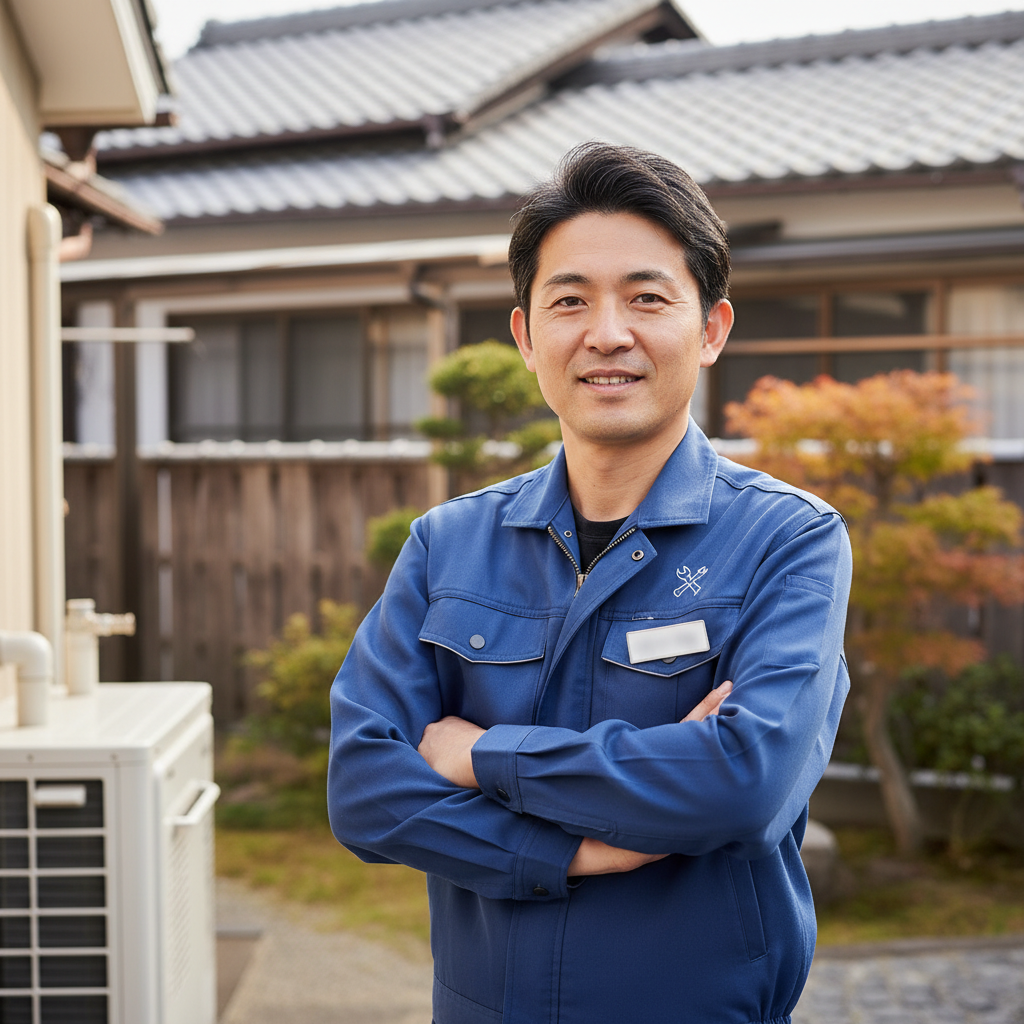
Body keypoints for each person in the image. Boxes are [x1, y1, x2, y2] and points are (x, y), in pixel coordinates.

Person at [328, 142, 852, 1024]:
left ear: (712, 329)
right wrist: (575, 852)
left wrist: (479, 754)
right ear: (527, 337)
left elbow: (743, 781)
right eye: (569, 301)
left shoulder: (788, 541)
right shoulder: (447, 544)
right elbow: (366, 790)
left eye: (648, 298)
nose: (607, 333)